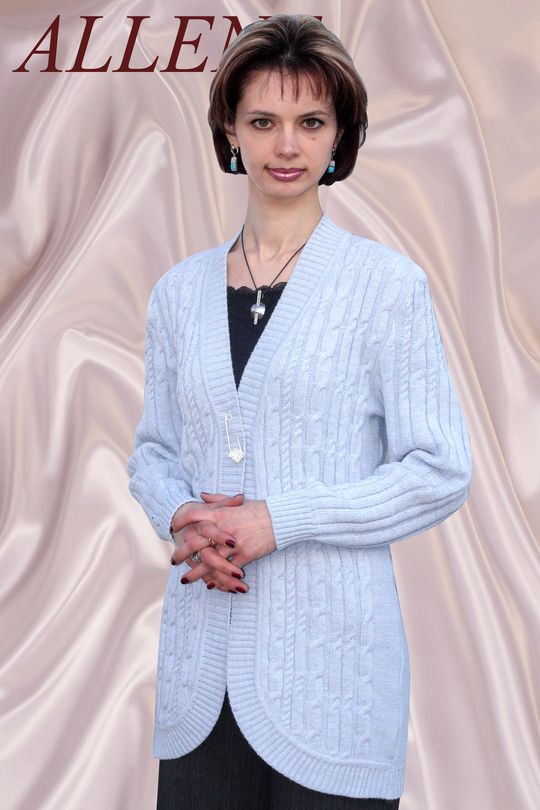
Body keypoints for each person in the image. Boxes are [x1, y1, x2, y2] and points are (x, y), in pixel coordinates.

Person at [127, 13, 472, 810]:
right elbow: (153, 450)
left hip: (334, 685)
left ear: (340, 134)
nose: (287, 145)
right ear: (229, 129)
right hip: (201, 680)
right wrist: (181, 513)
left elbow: (439, 469)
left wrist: (277, 521)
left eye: (311, 122)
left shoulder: (386, 288)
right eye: (263, 122)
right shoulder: (178, 293)